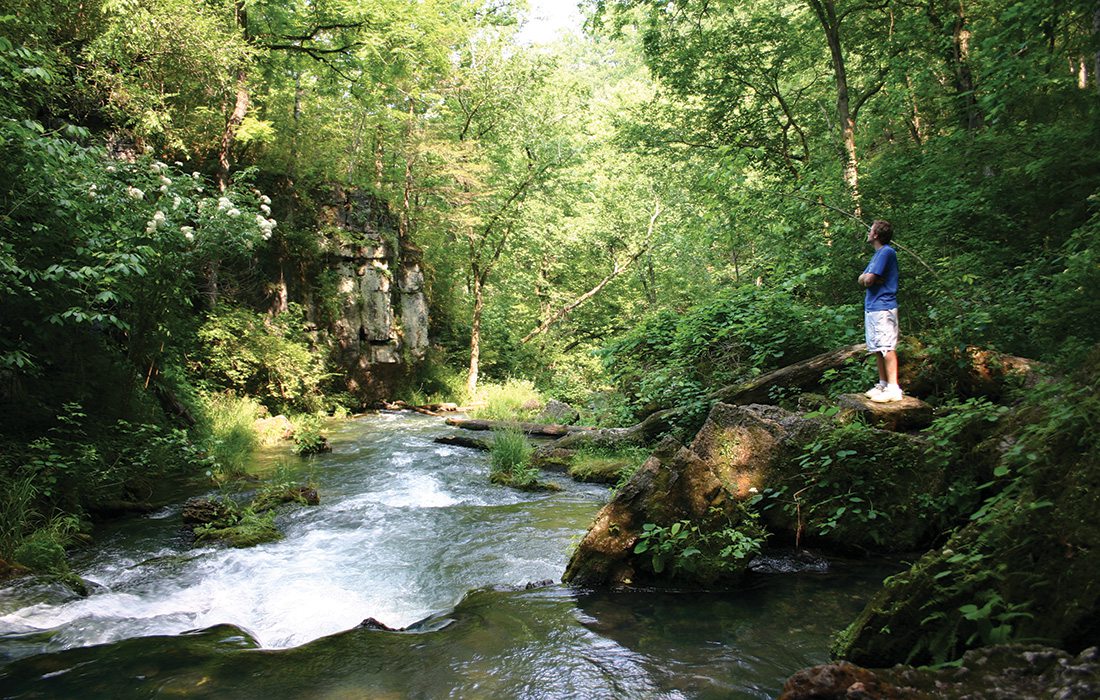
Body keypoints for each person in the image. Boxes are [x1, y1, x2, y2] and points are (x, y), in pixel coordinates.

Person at [858, 220, 902, 402]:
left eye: (871, 230)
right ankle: (882, 384)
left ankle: (894, 388)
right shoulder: (877, 255)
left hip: (884, 306)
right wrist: (869, 279)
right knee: (877, 347)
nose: (868, 232)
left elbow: (867, 280)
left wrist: (869, 279)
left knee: (887, 347)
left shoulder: (886, 252)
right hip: (873, 307)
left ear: (876, 234)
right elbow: (862, 278)